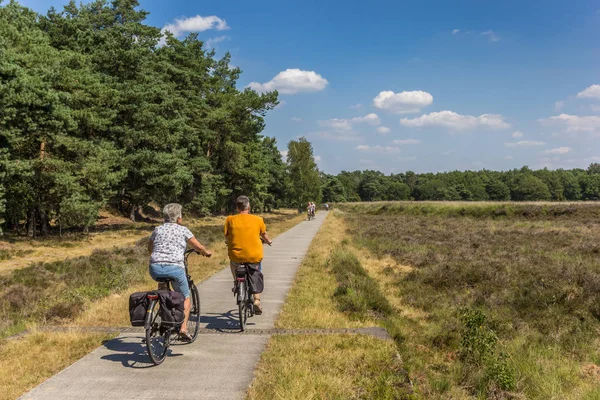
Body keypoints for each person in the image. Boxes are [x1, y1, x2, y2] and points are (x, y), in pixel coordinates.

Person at [148, 203, 212, 341]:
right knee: (185, 296)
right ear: (178, 219)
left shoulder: (157, 230)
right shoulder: (183, 230)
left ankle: (164, 313)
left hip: (155, 268)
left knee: (163, 288)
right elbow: (198, 246)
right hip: (175, 268)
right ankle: (183, 328)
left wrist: (154, 255)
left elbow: (150, 246)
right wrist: (206, 252)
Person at [224, 195, 272, 314]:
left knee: (233, 264)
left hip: (236, 255)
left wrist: (228, 242)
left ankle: (236, 281)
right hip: (253, 255)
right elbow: (264, 234)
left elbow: (227, 236)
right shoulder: (258, 219)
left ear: (237, 207)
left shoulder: (230, 219)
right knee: (256, 272)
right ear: (249, 207)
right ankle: (257, 299)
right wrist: (269, 241)